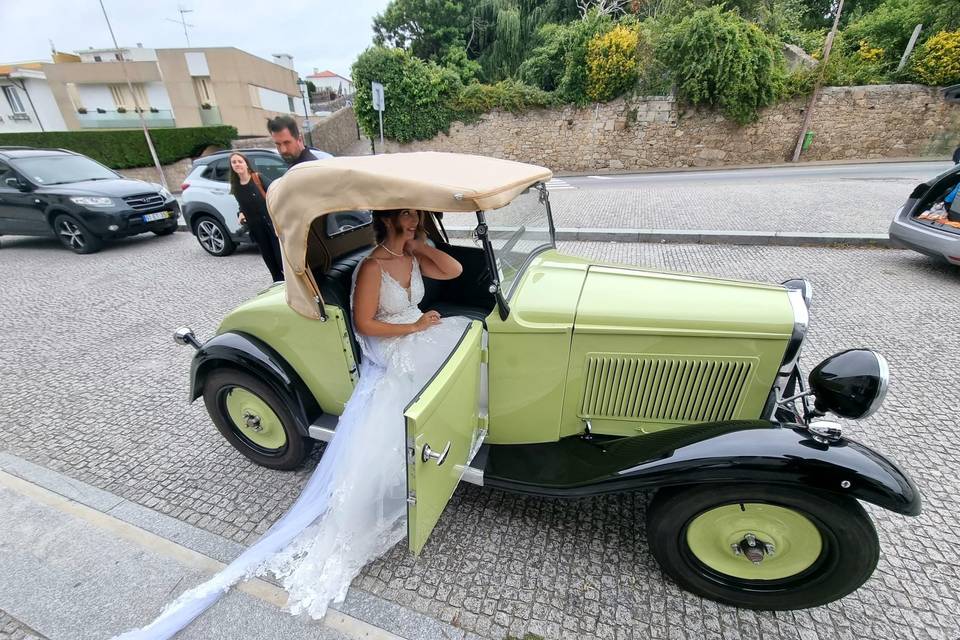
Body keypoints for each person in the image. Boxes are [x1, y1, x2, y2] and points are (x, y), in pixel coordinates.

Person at [112, 210, 468, 639]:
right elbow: (364, 323)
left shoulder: (412, 253)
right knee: (441, 360)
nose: (414, 221)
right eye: (408, 217)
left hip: (413, 326)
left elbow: (454, 269)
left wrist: (417, 245)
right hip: (388, 341)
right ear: (389, 218)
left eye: (416, 216)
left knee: (464, 340)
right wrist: (413, 324)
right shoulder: (373, 266)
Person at [229, 153, 284, 282]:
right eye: (234, 162)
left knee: (280, 257)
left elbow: (275, 195)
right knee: (269, 259)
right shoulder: (236, 186)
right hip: (257, 229)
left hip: (271, 226)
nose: (237, 164)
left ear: (246, 164)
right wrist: (241, 214)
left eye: (240, 161)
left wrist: (278, 222)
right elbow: (242, 206)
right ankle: (278, 285)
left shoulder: (257, 178)